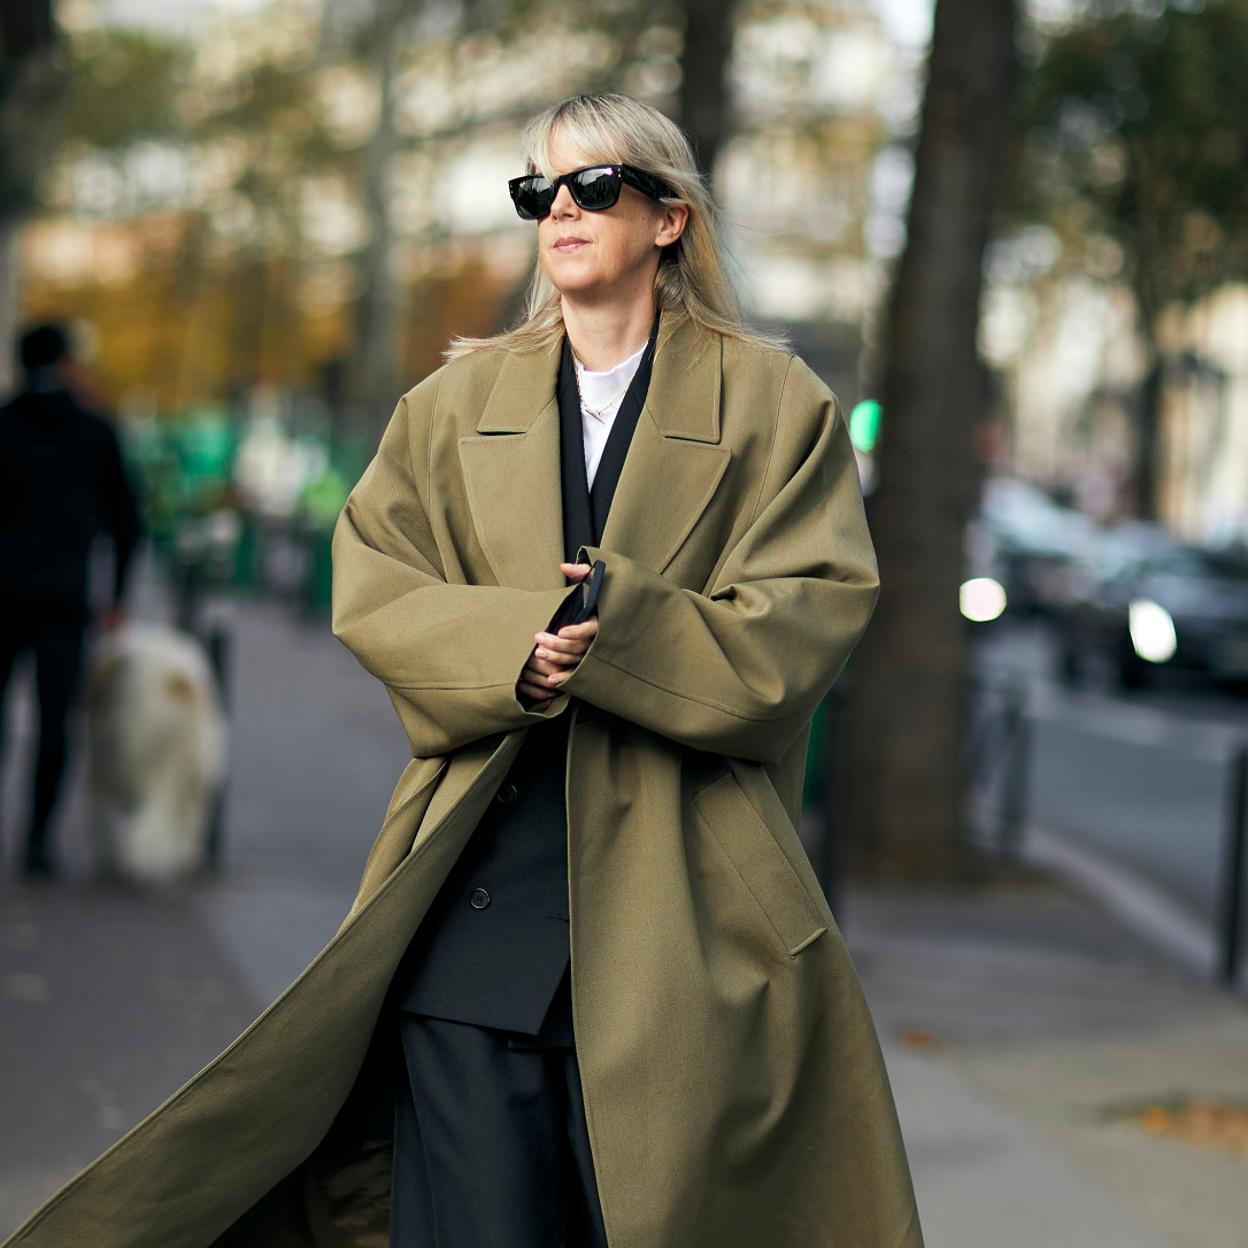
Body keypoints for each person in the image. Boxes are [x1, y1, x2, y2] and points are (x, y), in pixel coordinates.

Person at [0, 93, 921, 1248]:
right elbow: (372, 578)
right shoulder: (452, 404)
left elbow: (801, 628)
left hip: (685, 932)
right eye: (540, 190)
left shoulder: (777, 408)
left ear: (669, 217)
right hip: (471, 923)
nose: (561, 210)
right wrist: (513, 649)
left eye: (593, 185)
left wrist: (623, 630)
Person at [0, 321, 144, 879]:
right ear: (65, 363)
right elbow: (127, 521)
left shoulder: (4, 423)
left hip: (2, 592)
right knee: (55, 720)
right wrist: (118, 596)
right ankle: (38, 840)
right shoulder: (94, 430)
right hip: (64, 596)